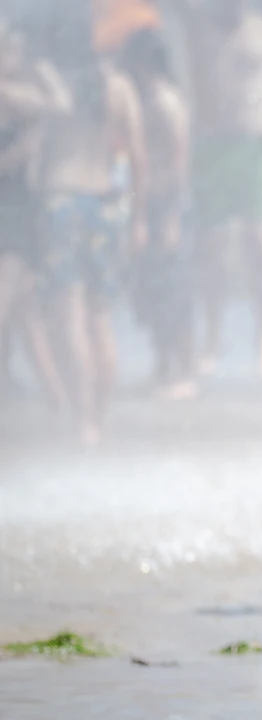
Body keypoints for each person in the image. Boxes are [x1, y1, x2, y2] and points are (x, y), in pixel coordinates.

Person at [38, 9, 147, 445]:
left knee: (70, 317)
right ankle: (98, 417)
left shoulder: (53, 81)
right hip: (105, 203)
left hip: (62, 200)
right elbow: (138, 157)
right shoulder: (118, 87)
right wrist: (139, 218)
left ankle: (82, 419)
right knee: (101, 318)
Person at [177, 0, 262, 378]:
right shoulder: (199, 21)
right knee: (210, 246)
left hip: (256, 144)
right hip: (212, 145)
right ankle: (213, 337)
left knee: (261, 245)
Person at [0, 19, 69, 414]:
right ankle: (57, 400)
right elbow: (56, 107)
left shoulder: (20, 93)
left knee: (19, 307)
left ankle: (57, 399)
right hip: (9, 210)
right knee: (23, 312)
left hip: (16, 214)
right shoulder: (12, 94)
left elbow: (60, 106)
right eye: (11, 50)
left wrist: (42, 74)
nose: (18, 56)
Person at [124, 28, 196, 400]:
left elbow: (180, 163)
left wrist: (170, 216)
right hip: (151, 203)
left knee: (174, 291)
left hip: (168, 205)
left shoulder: (166, 101)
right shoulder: (145, 99)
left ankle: (184, 372)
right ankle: (162, 367)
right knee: (152, 289)